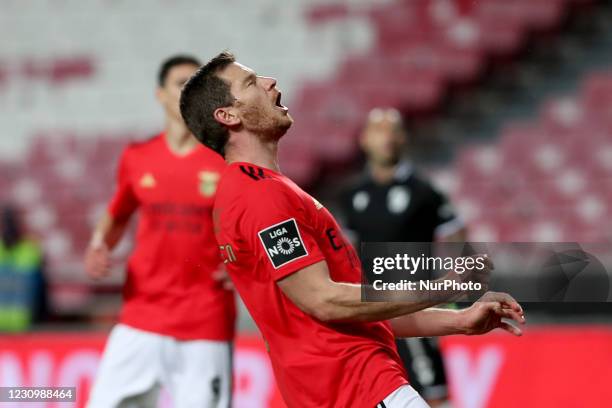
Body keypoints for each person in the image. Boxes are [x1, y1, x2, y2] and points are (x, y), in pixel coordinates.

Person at [180, 51, 525, 408]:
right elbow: (325, 300)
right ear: (228, 115)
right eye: (252, 82)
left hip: (345, 389)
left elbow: (358, 309)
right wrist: (443, 286)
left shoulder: (262, 189)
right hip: (356, 385)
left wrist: (459, 320)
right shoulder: (258, 194)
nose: (270, 83)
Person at [84, 55, 235, 408]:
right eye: (181, 82)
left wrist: (242, 260)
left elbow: (247, 225)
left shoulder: (225, 159)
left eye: (197, 84)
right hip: (142, 314)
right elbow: (117, 214)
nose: (189, 90)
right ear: (160, 94)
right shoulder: (138, 156)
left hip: (204, 317)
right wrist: (98, 244)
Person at [339, 108, 466, 406]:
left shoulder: (424, 193)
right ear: (364, 139)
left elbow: (457, 237)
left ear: (403, 138)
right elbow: (347, 253)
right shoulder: (353, 195)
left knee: (431, 394)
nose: (386, 138)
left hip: (414, 309)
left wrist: (452, 288)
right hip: (372, 313)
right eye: (379, 130)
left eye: (393, 130)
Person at [0, 204, 47, 331]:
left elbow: (41, 287)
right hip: (23, 322)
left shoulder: (30, 250)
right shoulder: (30, 250)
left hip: (25, 325)